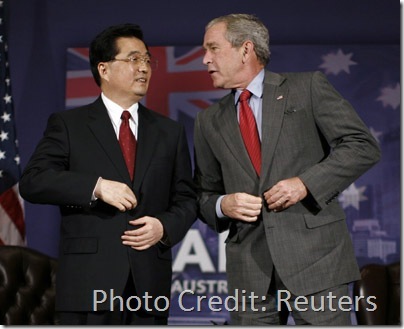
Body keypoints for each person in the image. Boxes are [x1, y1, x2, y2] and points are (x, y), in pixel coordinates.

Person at [193, 14, 381, 325]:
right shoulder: (208, 121)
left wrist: (305, 183)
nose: (204, 59)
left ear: (245, 49)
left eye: (213, 48)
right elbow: (203, 192)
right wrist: (222, 205)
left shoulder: (306, 87)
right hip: (249, 271)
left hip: (316, 262)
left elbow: (362, 145)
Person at [19, 23, 197, 325]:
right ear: (104, 69)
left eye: (147, 60)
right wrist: (96, 187)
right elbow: (33, 181)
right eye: (133, 59)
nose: (144, 68)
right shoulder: (69, 125)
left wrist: (163, 227)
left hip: (148, 286)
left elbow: (187, 199)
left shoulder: (170, 132)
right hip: (88, 285)